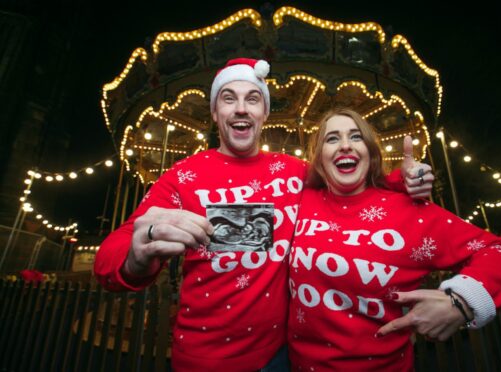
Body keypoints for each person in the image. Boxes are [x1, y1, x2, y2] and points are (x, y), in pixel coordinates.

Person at [94, 58, 434, 371]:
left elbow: (350, 181)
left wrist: (401, 181)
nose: (241, 108)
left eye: (253, 99)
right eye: (228, 98)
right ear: (214, 112)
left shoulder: (292, 172)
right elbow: (110, 257)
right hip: (203, 361)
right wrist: (136, 257)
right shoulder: (183, 176)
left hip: (279, 356)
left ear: (264, 112)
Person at [287, 108, 501, 370]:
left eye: (356, 137)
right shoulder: (301, 200)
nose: (344, 146)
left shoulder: (410, 212)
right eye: (332, 139)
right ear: (318, 157)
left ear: (370, 151)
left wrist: (462, 302)